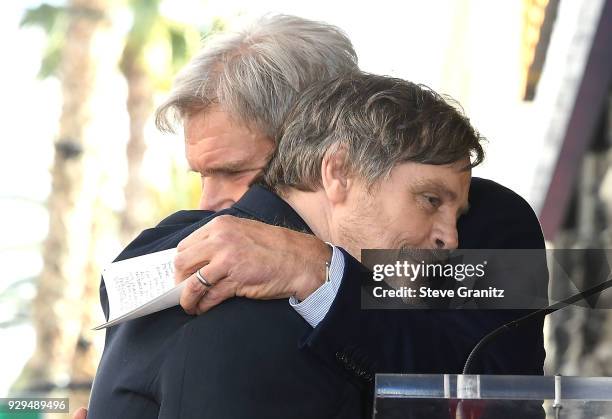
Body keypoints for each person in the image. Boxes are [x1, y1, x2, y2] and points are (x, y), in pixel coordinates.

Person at [88, 71, 486, 418]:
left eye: (459, 214)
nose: (449, 237)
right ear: (339, 171)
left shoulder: (158, 243)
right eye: (430, 200)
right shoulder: (265, 315)